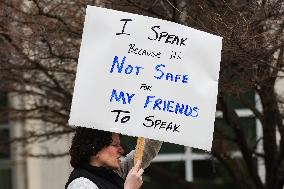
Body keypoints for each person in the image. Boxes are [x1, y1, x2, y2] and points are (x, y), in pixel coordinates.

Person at [65, 127, 162, 189]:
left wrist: (158, 123)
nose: (121, 150)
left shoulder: (114, 174)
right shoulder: (81, 184)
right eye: (115, 145)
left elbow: (146, 151)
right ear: (95, 149)